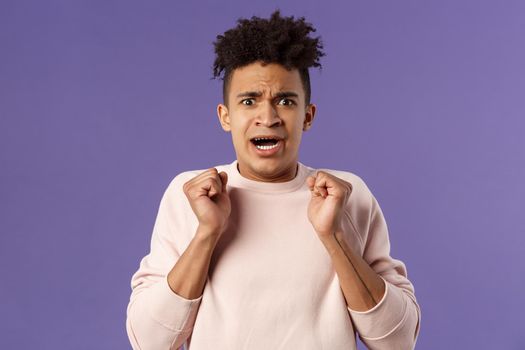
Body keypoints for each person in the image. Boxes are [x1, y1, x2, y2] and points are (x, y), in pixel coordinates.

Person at [126, 9, 421, 350]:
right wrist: (206, 233)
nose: (267, 117)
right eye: (249, 101)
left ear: (307, 116)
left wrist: (335, 237)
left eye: (285, 100)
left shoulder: (346, 196)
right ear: (226, 116)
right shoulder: (190, 196)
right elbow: (150, 341)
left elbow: (397, 341)